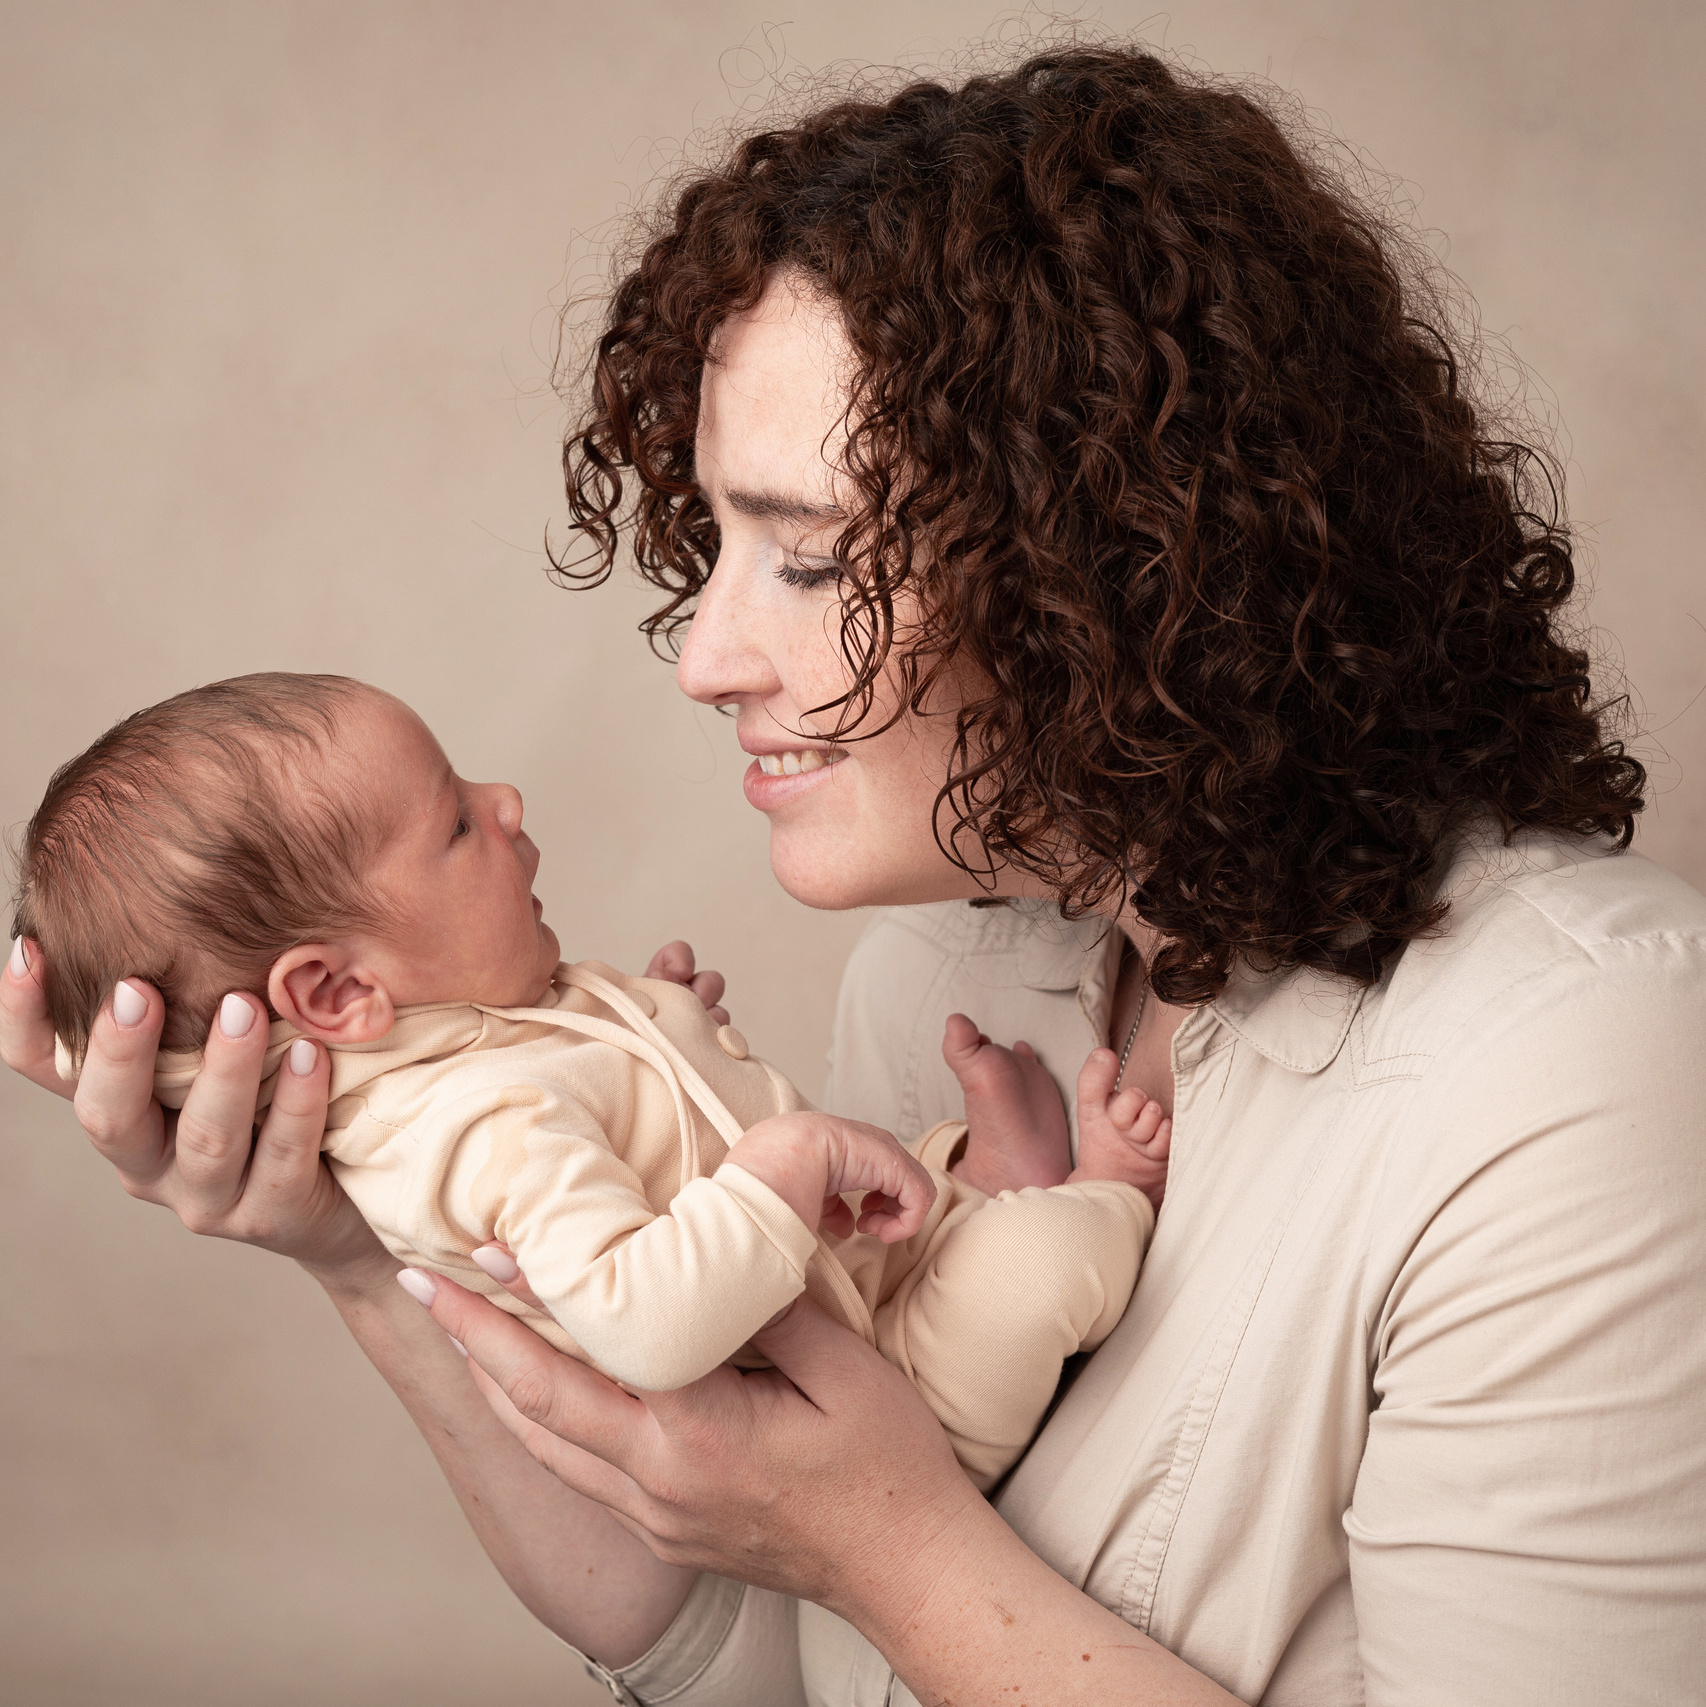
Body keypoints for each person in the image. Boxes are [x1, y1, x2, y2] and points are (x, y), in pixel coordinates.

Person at [6, 42, 1704, 1707]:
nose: (704, 656)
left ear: (1107, 567)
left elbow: (862, 1557)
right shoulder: (949, 981)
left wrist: (886, 1542)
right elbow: (761, 1652)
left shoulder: (1574, 1064)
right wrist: (363, 1244)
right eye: (716, 537)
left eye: (810, 559)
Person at [17, 671, 1162, 1489]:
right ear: (333, 993)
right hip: (892, 1409)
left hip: (861, 1286)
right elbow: (647, 1326)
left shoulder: (481, 1036)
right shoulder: (473, 1128)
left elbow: (624, 1146)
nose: (505, 802)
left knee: (916, 1179)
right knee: (1035, 1269)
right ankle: (1099, 1195)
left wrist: (661, 1049)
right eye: (454, 823)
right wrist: (784, 1158)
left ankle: (985, 1185)